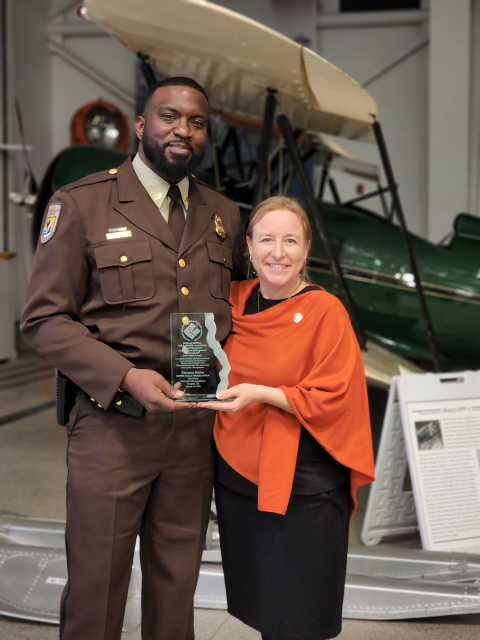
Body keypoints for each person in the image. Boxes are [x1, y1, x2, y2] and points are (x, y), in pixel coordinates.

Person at [21, 77, 245, 640]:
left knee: (176, 588)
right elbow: (43, 319)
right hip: (112, 426)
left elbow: (234, 313)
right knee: (97, 590)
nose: (183, 131)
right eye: (169, 117)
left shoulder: (224, 215)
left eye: (196, 123)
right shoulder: (81, 204)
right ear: (142, 126)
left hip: (194, 428)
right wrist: (124, 376)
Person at [199, 196, 375, 640]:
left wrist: (261, 393)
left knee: (302, 618)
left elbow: (334, 395)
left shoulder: (326, 312)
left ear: (306, 250)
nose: (278, 252)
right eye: (267, 239)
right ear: (249, 248)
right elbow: (200, 360)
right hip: (240, 481)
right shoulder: (231, 302)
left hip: (305, 488)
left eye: (290, 240)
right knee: (266, 611)